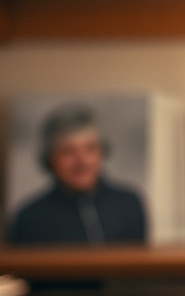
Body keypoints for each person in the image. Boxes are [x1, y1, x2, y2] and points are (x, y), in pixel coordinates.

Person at [10, 103, 147, 245]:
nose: (82, 161)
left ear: (102, 152)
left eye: (90, 148)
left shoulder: (129, 205)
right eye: (68, 151)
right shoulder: (30, 218)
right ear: (50, 159)